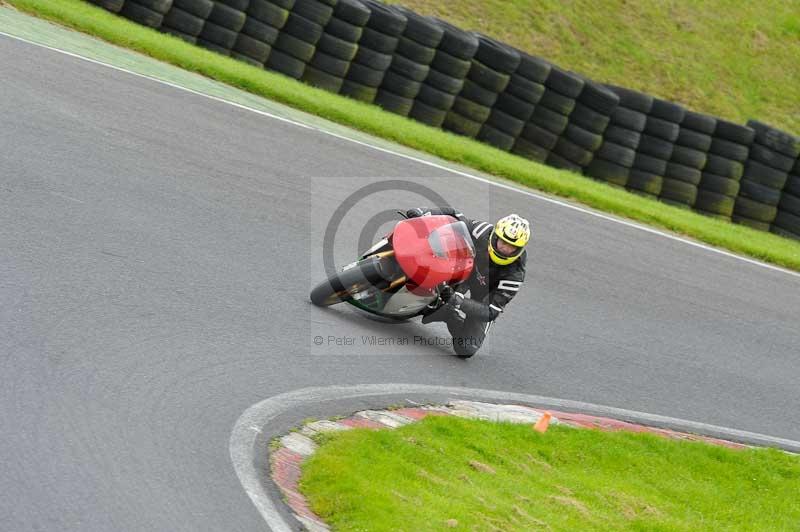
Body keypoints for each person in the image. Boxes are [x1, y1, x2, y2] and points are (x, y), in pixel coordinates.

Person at [405, 207, 530, 358]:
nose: (505, 248)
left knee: (466, 348)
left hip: (483, 296)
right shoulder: (482, 231)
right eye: (503, 242)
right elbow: (456, 215)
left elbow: (490, 312)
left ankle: (448, 314)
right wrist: (424, 213)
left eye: (512, 247)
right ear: (495, 236)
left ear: (519, 250)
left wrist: (456, 300)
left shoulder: (515, 275)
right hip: (463, 270)